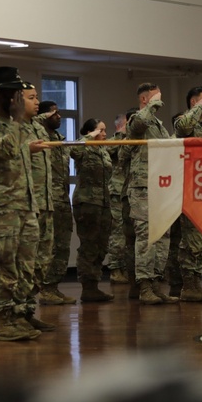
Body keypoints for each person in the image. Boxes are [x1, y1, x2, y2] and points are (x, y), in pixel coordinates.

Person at [0, 66, 47, 341]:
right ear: (2, 95)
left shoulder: (21, 127)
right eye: (15, 93)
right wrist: (15, 121)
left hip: (24, 205)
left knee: (26, 265)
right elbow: (7, 150)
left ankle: (20, 314)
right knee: (3, 264)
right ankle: (3, 321)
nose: (19, 97)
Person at [125, 83, 178, 305]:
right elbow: (138, 124)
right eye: (156, 96)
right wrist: (152, 106)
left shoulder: (159, 125)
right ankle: (144, 285)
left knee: (162, 236)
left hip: (160, 186)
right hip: (142, 187)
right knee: (147, 237)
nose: (161, 99)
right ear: (145, 99)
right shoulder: (138, 119)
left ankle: (156, 283)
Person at [171, 87, 202, 302]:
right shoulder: (184, 120)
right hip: (189, 187)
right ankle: (188, 285)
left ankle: (196, 283)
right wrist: (197, 109)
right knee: (190, 239)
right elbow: (181, 129)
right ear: (193, 101)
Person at [21, 86, 59, 326]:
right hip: (28, 204)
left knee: (42, 262)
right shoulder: (14, 127)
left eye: (37, 98)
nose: (37, 102)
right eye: (31, 98)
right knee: (25, 262)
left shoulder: (36, 126)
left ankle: (27, 311)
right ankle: (18, 313)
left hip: (45, 202)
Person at [70, 119, 115, 302]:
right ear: (91, 132)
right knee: (89, 245)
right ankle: (87, 286)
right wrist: (89, 137)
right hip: (87, 202)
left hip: (103, 203)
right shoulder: (84, 147)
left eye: (105, 130)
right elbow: (73, 151)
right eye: (101, 130)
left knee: (101, 245)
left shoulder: (103, 150)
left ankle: (94, 285)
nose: (104, 134)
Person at [37, 99, 76, 304]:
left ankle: (53, 286)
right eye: (54, 113)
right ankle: (44, 288)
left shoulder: (60, 139)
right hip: (46, 200)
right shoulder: (37, 135)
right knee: (47, 246)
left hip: (62, 199)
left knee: (62, 246)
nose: (59, 116)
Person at [106, 113, 130, 284]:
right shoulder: (114, 140)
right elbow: (107, 150)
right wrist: (121, 134)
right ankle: (115, 269)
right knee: (118, 232)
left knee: (129, 232)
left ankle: (127, 267)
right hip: (116, 191)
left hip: (129, 191)